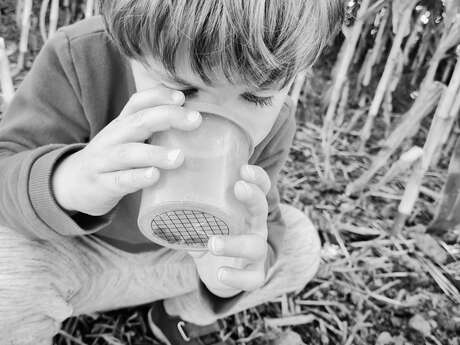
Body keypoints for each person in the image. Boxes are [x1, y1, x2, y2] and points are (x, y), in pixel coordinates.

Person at [0, 1, 344, 344]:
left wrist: (230, 272)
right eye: (182, 89)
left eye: (254, 98)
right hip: (79, 259)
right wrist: (66, 182)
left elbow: (262, 220)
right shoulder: (80, 57)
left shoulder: (277, 124)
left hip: (182, 265)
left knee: (300, 247)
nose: (210, 119)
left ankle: (179, 313)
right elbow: (6, 170)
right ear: (127, 48)